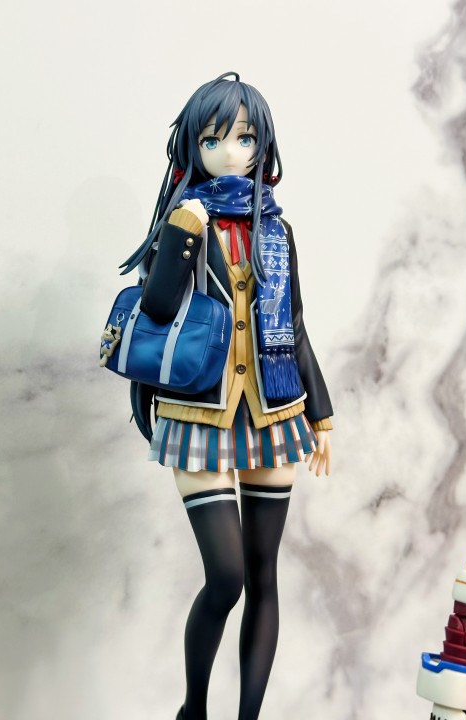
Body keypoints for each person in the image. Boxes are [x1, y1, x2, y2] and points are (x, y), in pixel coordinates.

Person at [119, 71, 334, 720]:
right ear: (192, 146)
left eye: (243, 138)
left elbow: (295, 324)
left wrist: (322, 415)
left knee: (264, 574)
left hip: (274, 411)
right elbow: (158, 307)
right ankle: (193, 708)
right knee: (227, 577)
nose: (229, 151)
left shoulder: (277, 231)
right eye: (212, 140)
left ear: (262, 144)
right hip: (199, 413)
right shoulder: (184, 219)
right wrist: (182, 232)